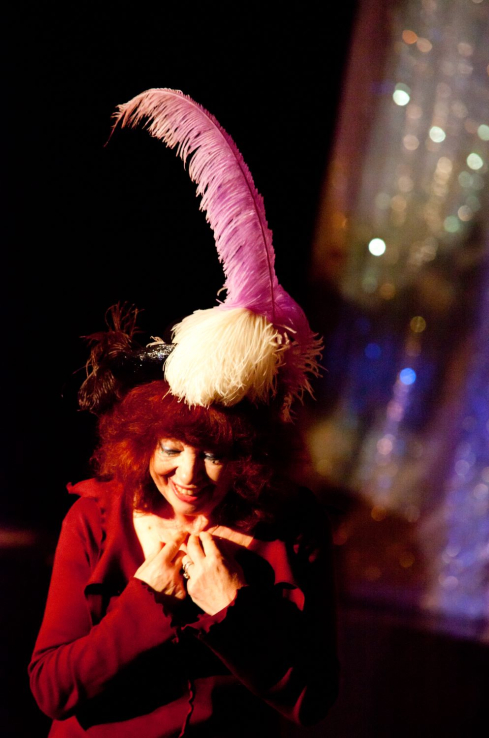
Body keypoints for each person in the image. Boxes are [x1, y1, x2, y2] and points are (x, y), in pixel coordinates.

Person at [29, 89, 339, 737]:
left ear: (250, 457)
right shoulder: (94, 519)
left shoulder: (293, 526)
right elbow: (51, 690)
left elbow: (314, 701)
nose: (189, 474)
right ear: (143, 443)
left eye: (215, 453)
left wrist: (232, 608)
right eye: (171, 449)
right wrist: (142, 601)